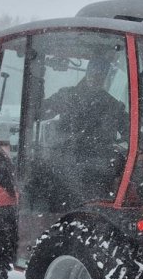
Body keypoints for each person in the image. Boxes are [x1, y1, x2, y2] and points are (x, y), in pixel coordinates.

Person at [41, 51, 130, 202]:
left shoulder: (113, 106)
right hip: (65, 168)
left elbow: (131, 132)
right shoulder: (67, 96)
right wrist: (38, 78)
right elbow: (40, 112)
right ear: (88, 73)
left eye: (101, 74)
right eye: (94, 72)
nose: (96, 78)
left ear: (105, 78)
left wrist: (124, 147)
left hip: (99, 171)